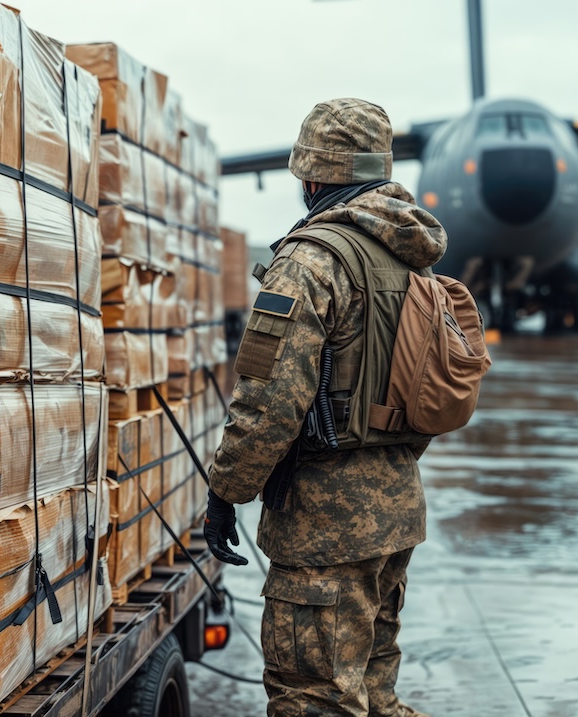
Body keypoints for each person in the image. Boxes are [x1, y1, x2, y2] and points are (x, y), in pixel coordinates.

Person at [205, 98, 447, 717]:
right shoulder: (410, 254)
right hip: (395, 507)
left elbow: (269, 401)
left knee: (313, 699)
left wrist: (226, 491)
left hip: (324, 526)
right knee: (374, 692)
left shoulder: (311, 261)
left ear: (313, 176)